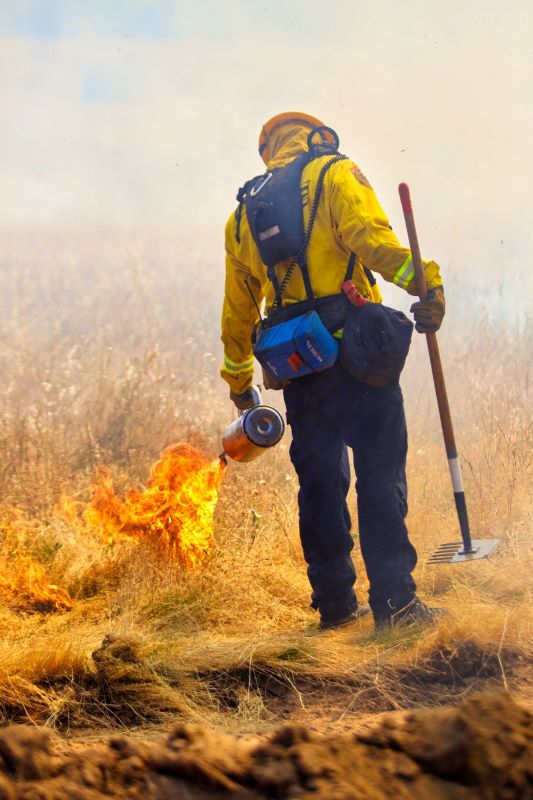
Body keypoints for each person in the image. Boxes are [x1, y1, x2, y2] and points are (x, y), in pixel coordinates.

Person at [220, 112, 445, 630]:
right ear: (316, 136)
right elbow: (374, 243)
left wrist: (240, 387)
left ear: (267, 152)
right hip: (360, 355)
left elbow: (237, 313)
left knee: (319, 484)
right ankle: (397, 604)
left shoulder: (241, 218)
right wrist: (426, 284)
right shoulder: (333, 173)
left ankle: (336, 607)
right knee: (380, 473)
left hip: (297, 365)